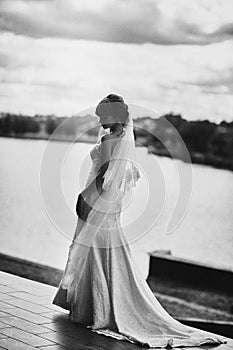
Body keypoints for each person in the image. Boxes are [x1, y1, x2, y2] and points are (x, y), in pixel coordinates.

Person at [52, 94, 228, 348]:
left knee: (98, 252)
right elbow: (119, 174)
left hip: (97, 201)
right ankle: (98, 308)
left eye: (102, 114)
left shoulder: (111, 139)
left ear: (112, 115)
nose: (98, 118)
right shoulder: (120, 139)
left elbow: (104, 177)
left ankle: (98, 310)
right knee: (104, 254)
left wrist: (84, 198)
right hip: (107, 205)